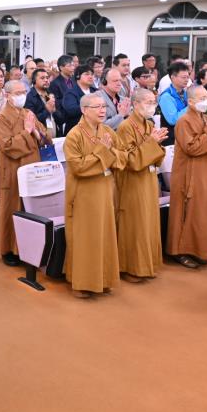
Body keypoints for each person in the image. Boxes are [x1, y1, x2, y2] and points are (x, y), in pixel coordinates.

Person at [64, 93, 126, 297]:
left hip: (106, 189)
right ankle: (82, 283)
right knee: (86, 236)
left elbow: (122, 155)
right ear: (84, 110)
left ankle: (104, 279)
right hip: (84, 192)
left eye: (103, 107)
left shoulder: (107, 130)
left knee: (105, 234)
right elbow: (78, 167)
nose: (102, 110)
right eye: (97, 107)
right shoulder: (74, 135)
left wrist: (108, 153)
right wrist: (103, 151)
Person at [166, 85, 207, 268]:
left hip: (206, 169)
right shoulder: (184, 121)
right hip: (189, 172)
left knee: (203, 209)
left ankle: (203, 248)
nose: (205, 101)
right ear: (190, 102)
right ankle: (180, 251)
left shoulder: (205, 117)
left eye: (206, 97)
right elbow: (192, 148)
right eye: (201, 98)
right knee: (187, 211)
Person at [114, 89, 168, 282]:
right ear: (135, 104)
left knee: (149, 222)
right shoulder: (125, 126)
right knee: (135, 222)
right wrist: (152, 143)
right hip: (133, 181)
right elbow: (130, 160)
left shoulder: (149, 124)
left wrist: (156, 144)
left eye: (154, 102)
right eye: (148, 102)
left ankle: (147, 265)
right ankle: (131, 267)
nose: (152, 106)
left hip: (149, 178)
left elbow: (157, 152)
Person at [0, 80, 48, 266]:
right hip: (12, 168)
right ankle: (8, 249)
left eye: (24, 92)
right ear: (7, 95)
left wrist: (36, 133)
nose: (22, 96)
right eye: (17, 93)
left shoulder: (28, 113)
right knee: (11, 206)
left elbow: (45, 136)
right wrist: (27, 132)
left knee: (29, 206)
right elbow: (8, 145)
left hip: (32, 166)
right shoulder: (1, 118)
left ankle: (28, 248)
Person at [158, 62, 190, 146]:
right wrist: (191, 107)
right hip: (171, 140)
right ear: (173, 77)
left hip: (184, 136)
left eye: (188, 77)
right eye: (183, 77)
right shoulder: (166, 96)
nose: (187, 80)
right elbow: (173, 120)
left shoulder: (185, 93)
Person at [62, 65, 97, 134]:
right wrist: (91, 106)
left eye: (92, 74)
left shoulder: (96, 91)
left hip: (94, 130)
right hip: (76, 131)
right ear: (78, 76)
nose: (90, 77)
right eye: (87, 74)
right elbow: (72, 110)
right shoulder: (71, 93)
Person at [25, 68, 57, 138]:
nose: (46, 80)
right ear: (34, 81)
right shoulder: (30, 97)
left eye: (47, 78)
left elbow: (60, 119)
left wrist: (55, 110)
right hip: (40, 139)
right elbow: (32, 121)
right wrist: (47, 110)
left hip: (56, 138)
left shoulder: (50, 94)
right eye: (42, 78)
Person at [49, 55, 75, 133]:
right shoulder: (55, 84)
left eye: (73, 65)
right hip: (64, 120)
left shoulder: (74, 81)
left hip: (75, 118)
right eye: (69, 66)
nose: (73, 68)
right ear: (61, 67)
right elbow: (56, 104)